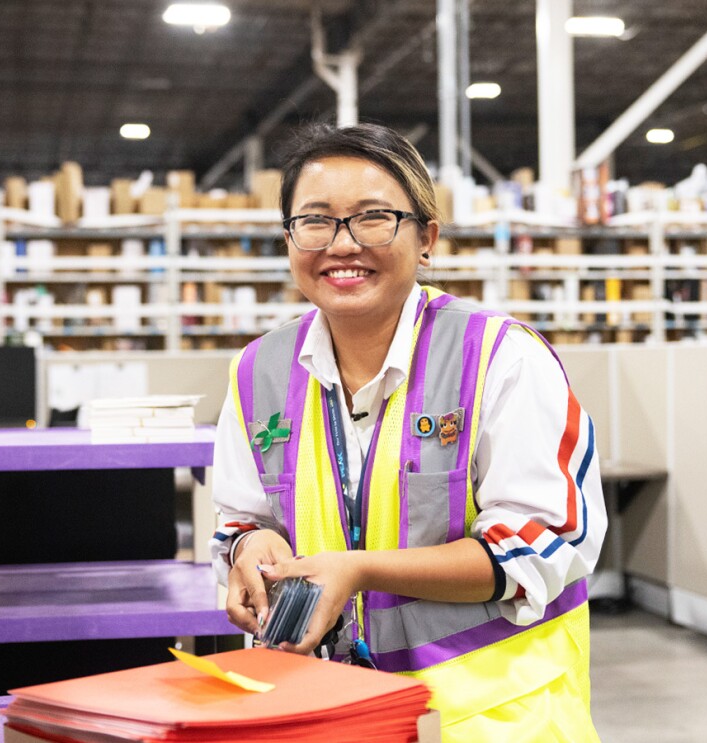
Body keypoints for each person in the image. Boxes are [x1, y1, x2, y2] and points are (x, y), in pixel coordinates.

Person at [210, 123, 606, 742]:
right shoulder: (257, 371)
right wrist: (250, 547)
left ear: (426, 238)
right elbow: (238, 516)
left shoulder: (503, 358)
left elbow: (540, 547)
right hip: (330, 715)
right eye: (315, 221)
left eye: (372, 218)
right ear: (288, 238)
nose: (342, 245)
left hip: (490, 723)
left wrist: (361, 569)